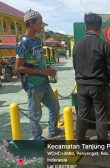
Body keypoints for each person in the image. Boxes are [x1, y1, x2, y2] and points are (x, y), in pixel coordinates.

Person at [15, 9, 63, 140]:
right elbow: (18, 68)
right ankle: (36, 137)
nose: (41, 25)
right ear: (30, 23)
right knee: (35, 113)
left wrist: (47, 68)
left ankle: (52, 130)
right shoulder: (23, 43)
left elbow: (38, 60)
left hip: (44, 82)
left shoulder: (37, 40)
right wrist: (43, 71)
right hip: (32, 84)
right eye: (39, 23)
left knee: (55, 106)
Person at [73, 13, 110, 141]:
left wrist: (80, 80)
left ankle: (80, 141)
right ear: (100, 27)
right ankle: (102, 144)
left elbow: (75, 65)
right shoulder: (103, 45)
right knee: (101, 116)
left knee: (82, 114)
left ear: (86, 26)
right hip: (99, 87)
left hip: (82, 86)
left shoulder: (77, 45)